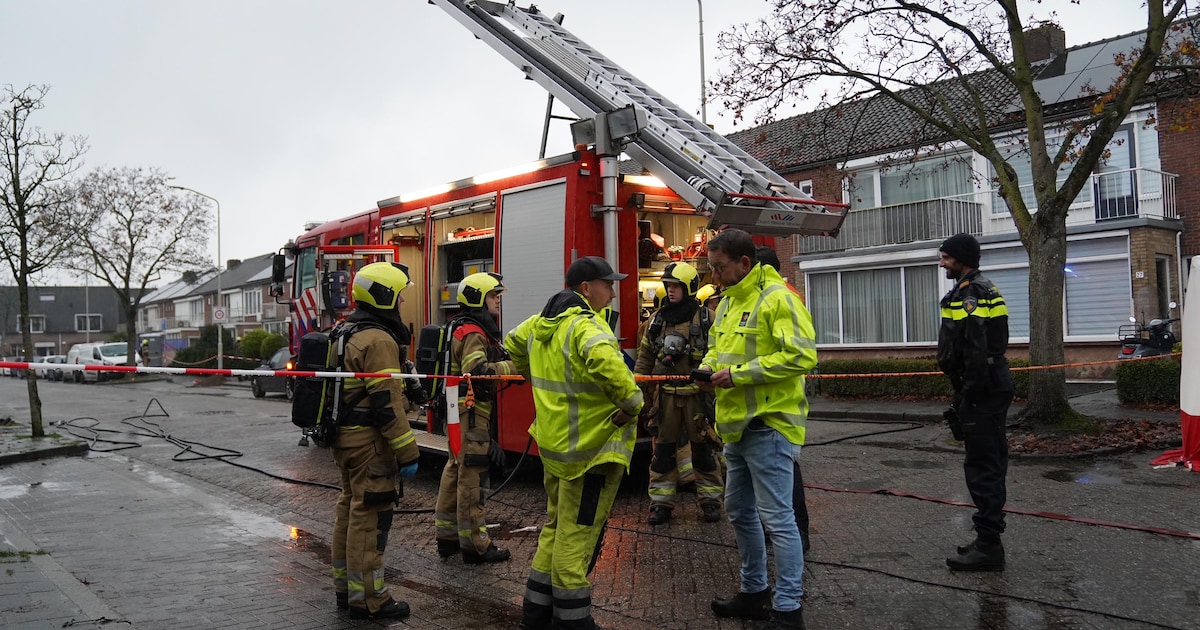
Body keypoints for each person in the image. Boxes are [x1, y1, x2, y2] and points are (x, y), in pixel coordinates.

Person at [506, 255, 644, 630]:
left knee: (555, 529)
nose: (612, 293)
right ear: (587, 288)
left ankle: (535, 615)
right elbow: (619, 380)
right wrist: (631, 407)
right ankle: (573, 621)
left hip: (555, 449)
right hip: (591, 453)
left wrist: (528, 372)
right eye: (608, 285)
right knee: (577, 538)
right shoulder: (586, 328)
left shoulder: (541, 323)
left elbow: (512, 343)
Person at [699, 229, 815, 630]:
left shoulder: (778, 298)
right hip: (736, 428)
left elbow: (801, 356)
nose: (715, 276)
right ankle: (754, 593)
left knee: (778, 519)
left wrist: (739, 375)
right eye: (711, 268)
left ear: (744, 263)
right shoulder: (729, 302)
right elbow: (717, 347)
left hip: (768, 424)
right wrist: (708, 365)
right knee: (741, 512)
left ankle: (787, 609)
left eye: (720, 267)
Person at [330, 262, 421, 620]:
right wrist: (408, 451)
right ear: (384, 296)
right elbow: (387, 404)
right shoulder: (379, 340)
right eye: (398, 297)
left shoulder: (343, 331)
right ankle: (370, 599)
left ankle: (346, 589)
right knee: (369, 520)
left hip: (345, 441)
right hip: (370, 445)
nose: (400, 304)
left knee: (349, 512)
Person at [936, 233, 1013, 572]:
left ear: (962, 258)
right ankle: (986, 539)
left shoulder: (972, 293)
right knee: (985, 460)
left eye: (946, 257)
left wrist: (969, 392)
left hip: (982, 389)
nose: (942, 262)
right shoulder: (977, 288)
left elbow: (977, 347)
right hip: (985, 387)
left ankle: (989, 546)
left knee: (983, 465)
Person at [434, 272, 517, 564]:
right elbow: (478, 372)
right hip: (471, 413)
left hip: (457, 411)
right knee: (472, 475)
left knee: (455, 470)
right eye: (494, 297)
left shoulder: (458, 326)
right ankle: (475, 544)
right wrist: (513, 367)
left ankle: (447, 537)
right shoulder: (472, 331)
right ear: (479, 299)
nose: (497, 302)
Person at [634, 261, 723, 525]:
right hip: (667, 398)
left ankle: (710, 501)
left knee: (704, 452)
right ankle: (660, 504)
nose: (670, 292)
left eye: (676, 286)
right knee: (662, 453)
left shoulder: (707, 319)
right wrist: (636, 389)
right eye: (668, 286)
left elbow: (719, 350)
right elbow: (645, 357)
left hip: (698, 397)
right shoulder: (656, 321)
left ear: (690, 288)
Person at [754, 245, 812, 552]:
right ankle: (789, 533)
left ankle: (796, 535)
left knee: (786, 467)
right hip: (774, 395)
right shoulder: (782, 293)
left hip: (780, 397)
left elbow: (793, 353)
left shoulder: (780, 296)